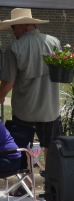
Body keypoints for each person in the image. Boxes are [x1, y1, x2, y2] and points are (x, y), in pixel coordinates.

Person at [0, 8, 62, 158]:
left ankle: (25, 179)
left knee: (21, 151)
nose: (13, 32)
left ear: (22, 25)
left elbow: (8, 82)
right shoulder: (54, 42)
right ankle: (51, 178)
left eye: (13, 28)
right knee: (52, 151)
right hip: (50, 110)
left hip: (24, 113)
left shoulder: (14, 48)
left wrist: (0, 96)